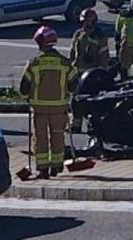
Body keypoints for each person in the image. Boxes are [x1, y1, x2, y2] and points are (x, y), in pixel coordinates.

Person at [19, 26, 78, 179]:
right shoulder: (65, 63)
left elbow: (23, 87)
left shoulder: (34, 63)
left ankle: (43, 169)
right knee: (58, 136)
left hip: (39, 108)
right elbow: (74, 84)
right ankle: (56, 166)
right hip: (59, 107)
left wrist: (27, 98)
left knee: (40, 137)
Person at [69, 9, 109, 74]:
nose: (83, 24)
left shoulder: (100, 37)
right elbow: (72, 52)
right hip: (76, 71)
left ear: (92, 22)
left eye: (86, 22)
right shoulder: (78, 34)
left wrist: (100, 73)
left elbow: (104, 58)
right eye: (83, 22)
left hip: (91, 73)